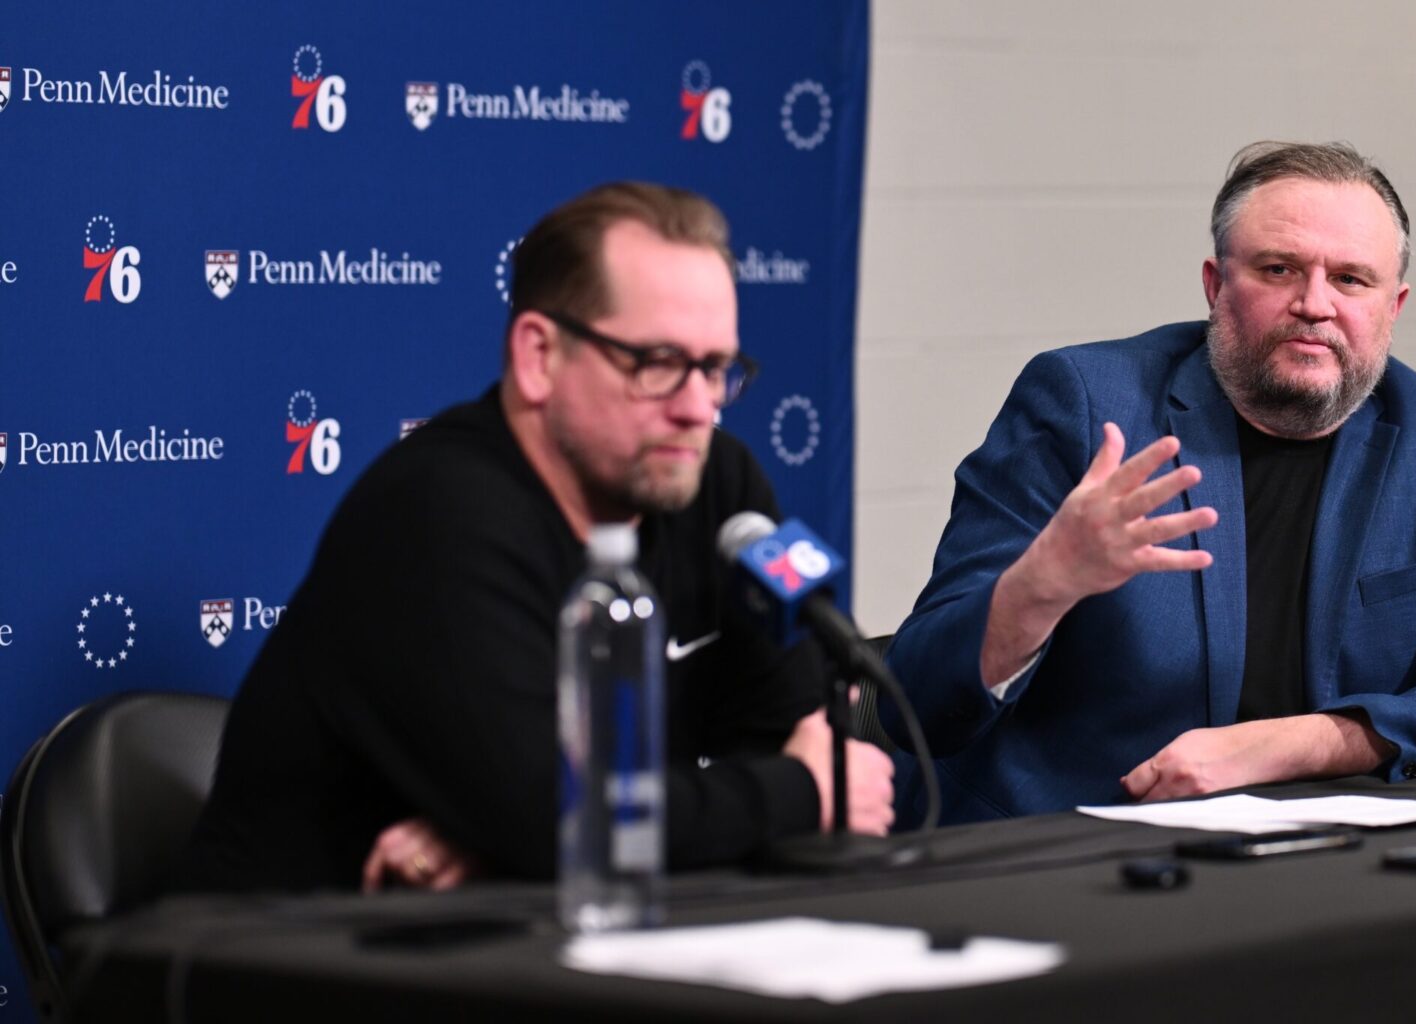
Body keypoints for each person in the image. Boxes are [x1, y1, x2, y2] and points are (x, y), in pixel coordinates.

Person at [181, 182, 893, 893]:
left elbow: (799, 735)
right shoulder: (438, 513)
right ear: (539, 357)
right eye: (657, 364)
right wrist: (795, 796)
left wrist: (516, 837)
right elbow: (559, 820)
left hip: (551, 928)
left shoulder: (720, 488)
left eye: (714, 369)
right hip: (292, 940)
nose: (697, 408)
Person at [884, 142, 1416, 823]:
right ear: (1215, 285)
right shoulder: (1087, 406)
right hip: (1071, 841)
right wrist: (1041, 584)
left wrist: (1291, 746)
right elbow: (917, 701)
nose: (1314, 304)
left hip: (1309, 848)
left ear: (1392, 307)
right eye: (1279, 269)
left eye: (1350, 279)